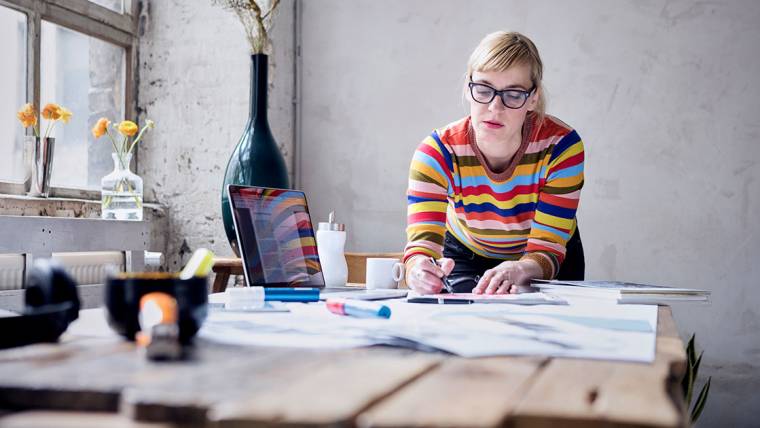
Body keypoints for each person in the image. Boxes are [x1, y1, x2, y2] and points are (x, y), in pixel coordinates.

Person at [403, 31, 585, 295]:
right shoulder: (436, 152)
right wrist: (419, 270)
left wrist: (522, 269)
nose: (495, 107)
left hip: (547, 256)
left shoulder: (561, 147)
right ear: (468, 88)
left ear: (533, 98)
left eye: (513, 94)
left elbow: (547, 247)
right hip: (467, 252)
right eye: (484, 89)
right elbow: (420, 247)